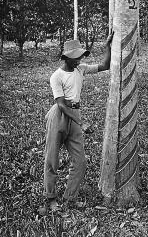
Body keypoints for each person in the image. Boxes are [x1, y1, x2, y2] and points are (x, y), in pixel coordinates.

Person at [43, 34, 113, 211]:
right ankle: (51, 198)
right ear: (66, 57)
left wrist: (107, 46)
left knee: (80, 162)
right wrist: (81, 123)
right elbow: (60, 103)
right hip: (59, 115)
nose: (79, 60)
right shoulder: (56, 76)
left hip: (75, 113)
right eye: (76, 57)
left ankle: (69, 198)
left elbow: (105, 65)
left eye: (80, 56)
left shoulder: (80, 69)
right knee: (52, 159)